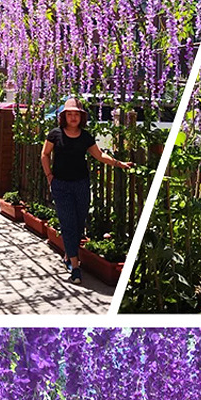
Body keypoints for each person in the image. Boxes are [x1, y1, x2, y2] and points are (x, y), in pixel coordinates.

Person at [40, 97, 133, 284]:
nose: (73, 118)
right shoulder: (55, 134)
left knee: (79, 222)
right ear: (64, 117)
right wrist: (49, 175)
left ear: (81, 117)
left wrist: (118, 163)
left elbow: (99, 155)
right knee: (67, 223)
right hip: (61, 186)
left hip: (81, 184)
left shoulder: (85, 136)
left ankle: (69, 254)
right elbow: (45, 154)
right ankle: (75, 267)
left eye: (76, 114)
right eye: (69, 114)